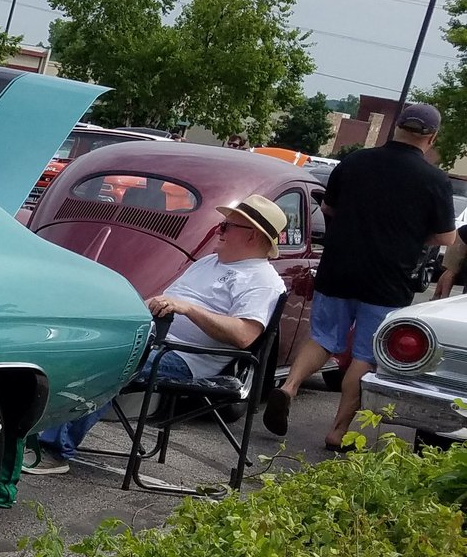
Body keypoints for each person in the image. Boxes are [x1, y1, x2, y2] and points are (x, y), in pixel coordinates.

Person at [24, 196, 289, 475]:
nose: (218, 231)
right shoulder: (210, 262)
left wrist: (189, 309)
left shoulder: (262, 281)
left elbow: (245, 335)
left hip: (185, 357)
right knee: (78, 343)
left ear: (253, 237)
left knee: (110, 362)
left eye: (226, 227)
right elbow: (170, 301)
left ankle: (53, 450)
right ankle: (26, 433)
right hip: (155, 338)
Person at [264, 102, 456, 449]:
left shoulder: (354, 162)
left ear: (395, 127)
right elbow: (445, 238)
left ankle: (288, 386)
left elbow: (328, 207)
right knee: (366, 355)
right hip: (388, 281)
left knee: (323, 337)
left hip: (338, 268)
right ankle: (338, 432)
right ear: (432, 136)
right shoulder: (434, 180)